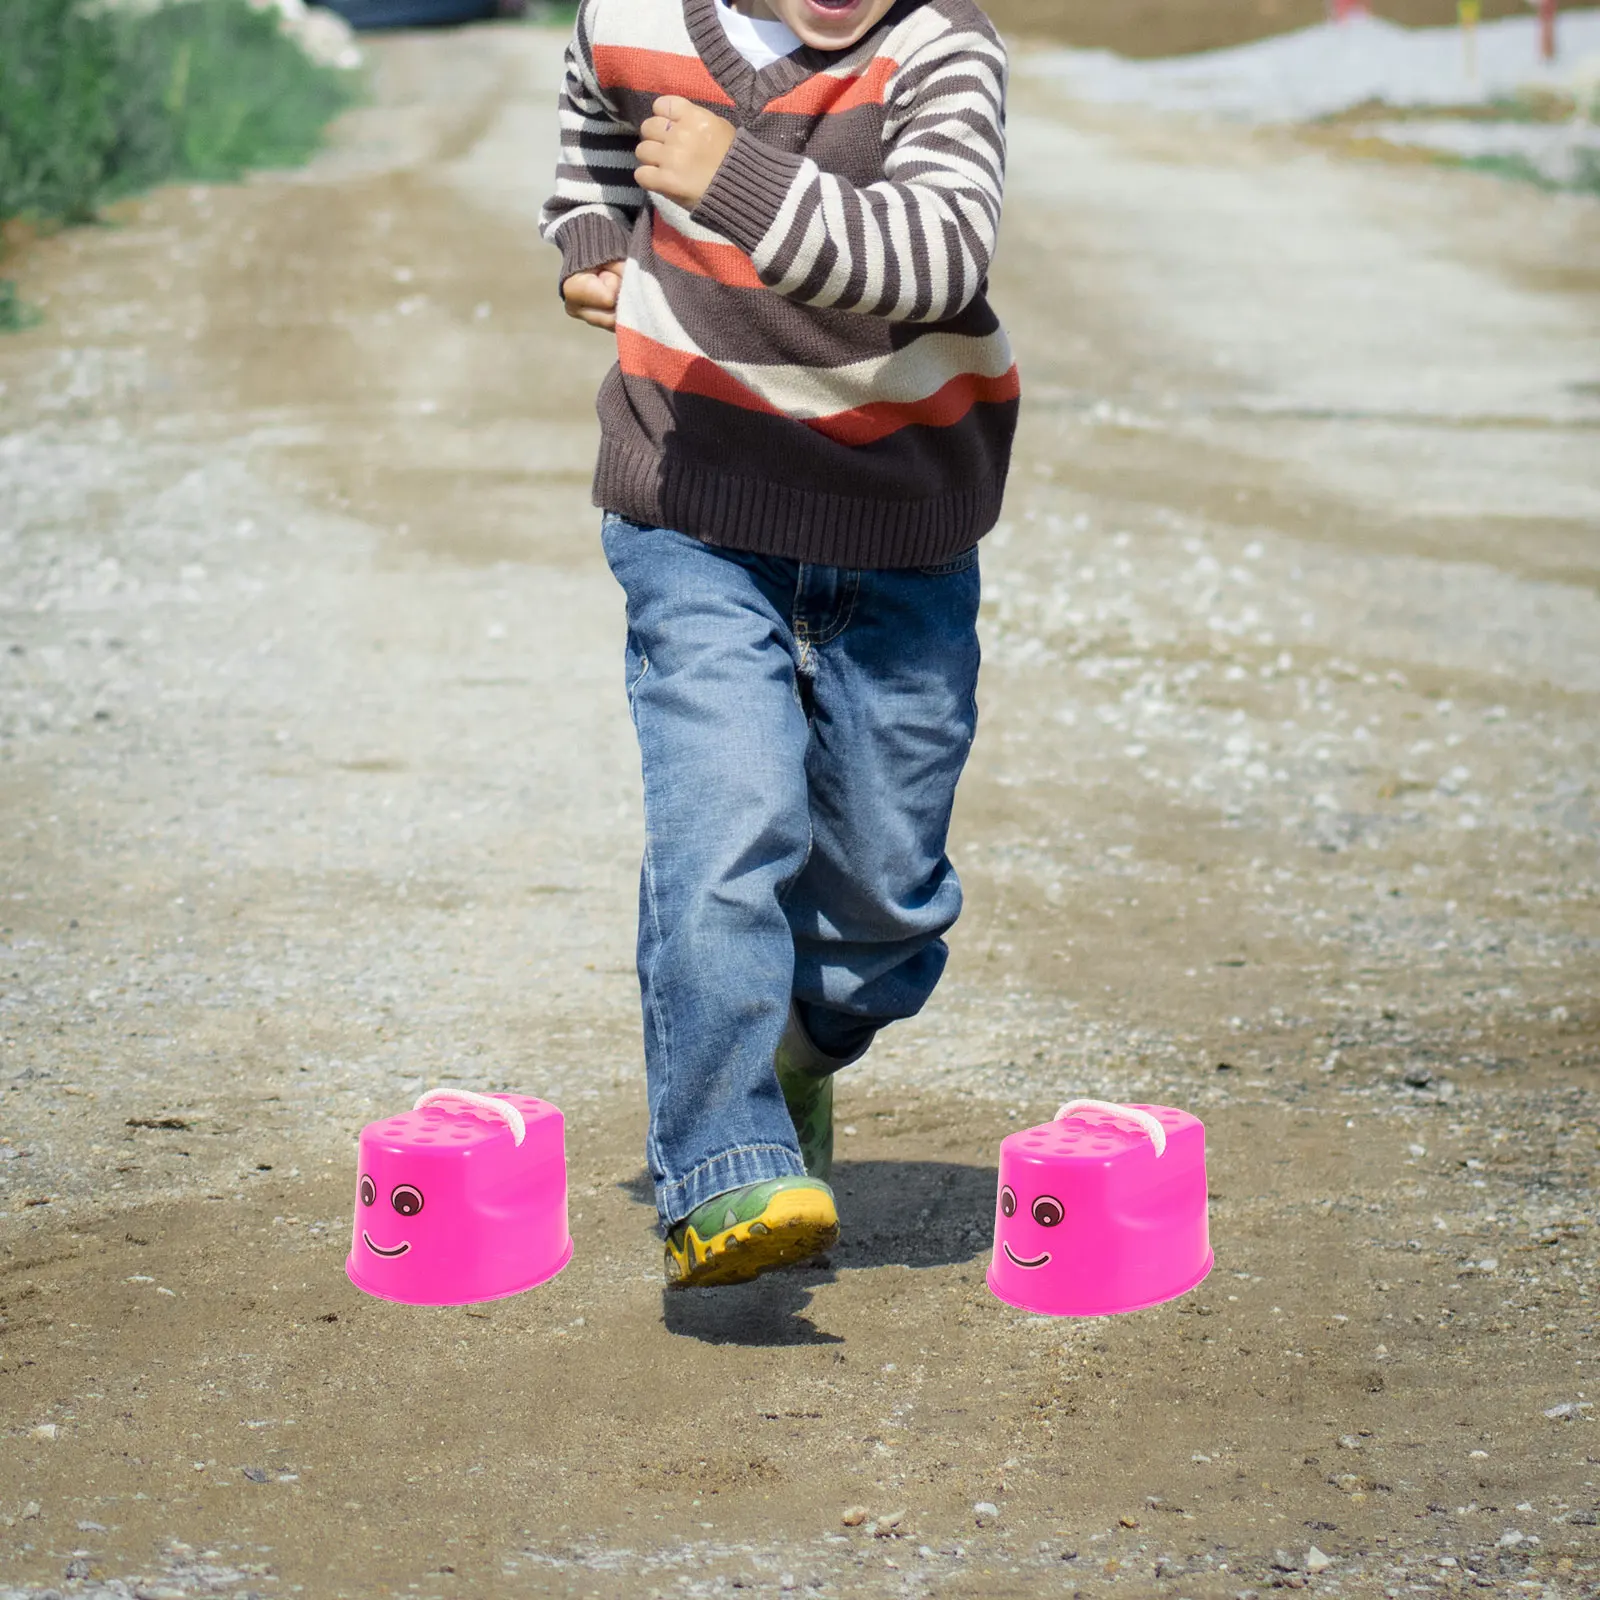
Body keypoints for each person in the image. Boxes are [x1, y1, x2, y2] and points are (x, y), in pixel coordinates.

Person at [539, 0, 1017, 1288]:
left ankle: (796, 1056)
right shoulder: (627, 19)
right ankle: (720, 1162)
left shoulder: (939, 50)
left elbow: (936, 257)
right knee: (725, 829)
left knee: (885, 909)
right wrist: (592, 237)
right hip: (693, 506)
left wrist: (730, 178)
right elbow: (594, 134)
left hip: (898, 521)